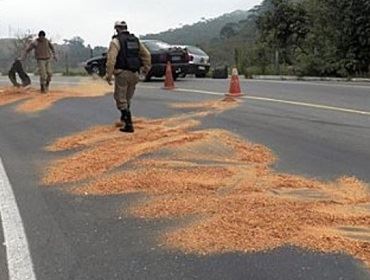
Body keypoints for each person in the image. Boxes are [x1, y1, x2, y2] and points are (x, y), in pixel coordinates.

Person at [105, 21, 151, 133]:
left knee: (120, 99)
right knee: (127, 98)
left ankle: (128, 125)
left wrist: (109, 75)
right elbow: (147, 55)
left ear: (116, 29)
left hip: (122, 73)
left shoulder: (116, 41)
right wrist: (145, 69)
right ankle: (124, 120)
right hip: (135, 73)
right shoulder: (135, 40)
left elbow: (111, 59)